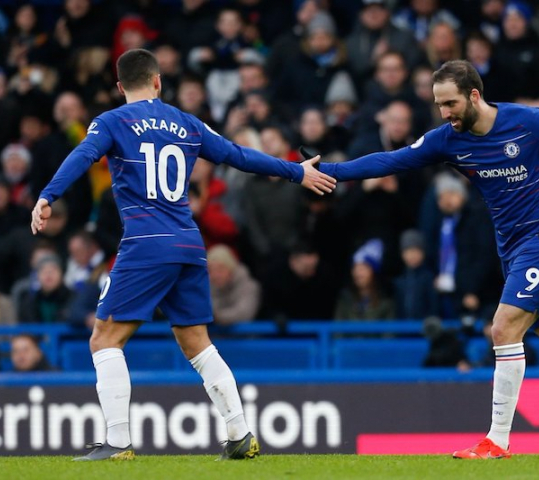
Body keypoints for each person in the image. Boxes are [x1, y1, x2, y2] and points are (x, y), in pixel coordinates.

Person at [313, 60, 539, 459]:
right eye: (439, 105)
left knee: (504, 327)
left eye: (451, 103)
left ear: (474, 95)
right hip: (511, 247)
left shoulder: (528, 122)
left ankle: (498, 441)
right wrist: (330, 169)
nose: (445, 113)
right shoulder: (446, 139)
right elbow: (391, 161)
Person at [30, 48, 335, 461]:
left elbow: (83, 155)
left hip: (146, 243)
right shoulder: (186, 122)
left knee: (104, 339)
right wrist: (296, 171)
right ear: (158, 81)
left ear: (120, 87)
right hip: (189, 243)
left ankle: (118, 441)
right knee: (197, 343)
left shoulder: (112, 121)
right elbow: (239, 156)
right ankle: (241, 434)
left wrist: (49, 195)